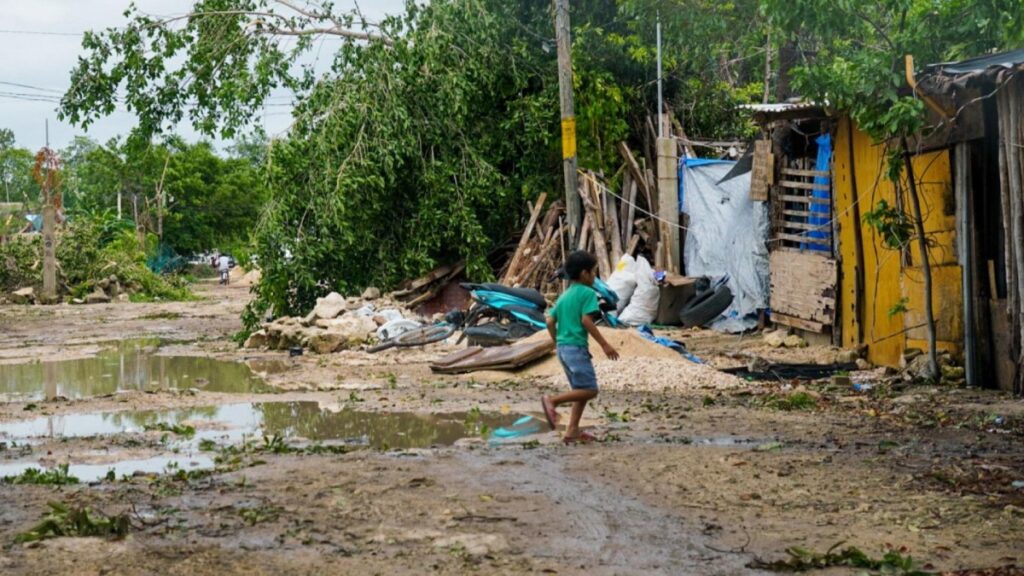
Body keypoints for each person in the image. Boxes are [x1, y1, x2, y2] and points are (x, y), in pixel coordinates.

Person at [541, 250, 619, 443]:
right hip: (575, 348)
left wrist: (556, 340)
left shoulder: (564, 296)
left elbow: (550, 321)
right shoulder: (588, 293)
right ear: (585, 274)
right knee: (591, 390)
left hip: (563, 349)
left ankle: (572, 431)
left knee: (580, 389)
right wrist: (604, 344)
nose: (595, 276)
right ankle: (553, 401)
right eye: (593, 272)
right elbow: (586, 320)